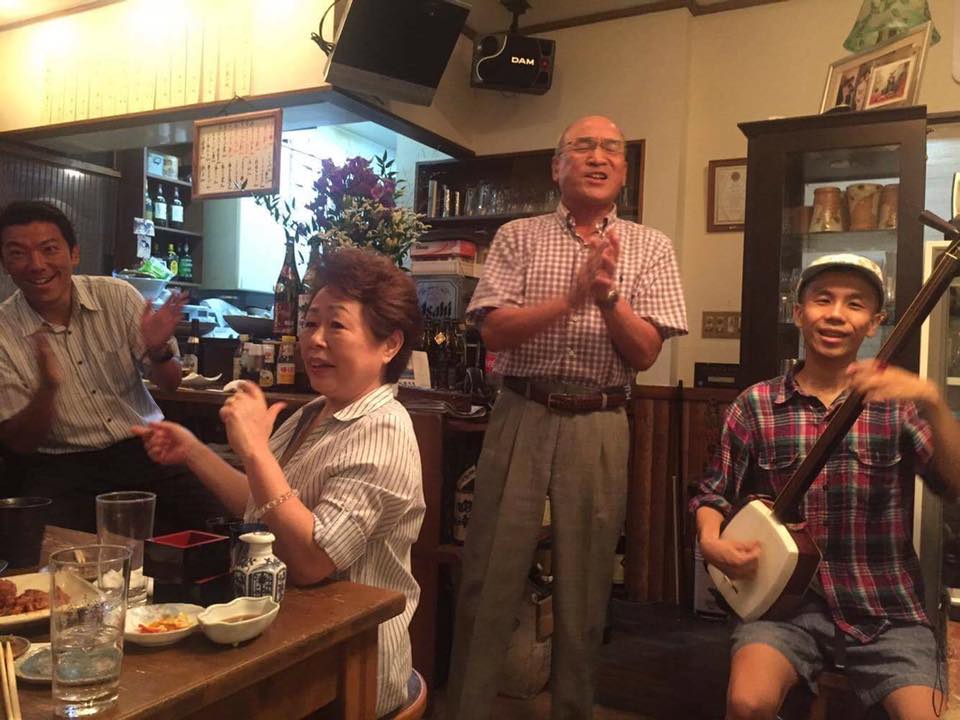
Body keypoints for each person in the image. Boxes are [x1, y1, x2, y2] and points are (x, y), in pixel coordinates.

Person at [445, 115, 688, 720]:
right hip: (521, 412)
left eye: (611, 149)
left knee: (586, 585)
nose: (598, 156)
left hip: (601, 420)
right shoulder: (518, 235)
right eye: (583, 146)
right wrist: (570, 299)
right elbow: (493, 330)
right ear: (558, 167)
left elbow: (646, 353)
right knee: (488, 575)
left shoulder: (652, 245)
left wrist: (607, 297)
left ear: (624, 171)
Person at [133, 247, 425, 717]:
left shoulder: (382, 429)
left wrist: (255, 449)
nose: (315, 340)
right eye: (310, 323)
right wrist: (193, 451)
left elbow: (311, 560)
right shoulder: (317, 411)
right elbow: (262, 506)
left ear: (389, 345)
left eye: (336, 325)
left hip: (349, 666)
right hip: (288, 636)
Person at [691, 253, 960, 720]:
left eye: (854, 304)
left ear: (874, 323)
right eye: (823, 299)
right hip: (786, 607)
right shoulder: (756, 404)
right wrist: (711, 541)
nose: (836, 314)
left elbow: (955, 484)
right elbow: (713, 492)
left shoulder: (897, 405)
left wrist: (934, 401)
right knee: (747, 703)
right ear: (799, 313)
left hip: (886, 608)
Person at [0, 200, 222, 533]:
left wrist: (158, 349)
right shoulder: (4, 331)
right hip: (61, 466)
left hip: (147, 448)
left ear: (74, 254)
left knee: (219, 528)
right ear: (5, 263)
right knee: (44, 549)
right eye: (18, 253)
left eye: (49, 249)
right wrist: (47, 389)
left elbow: (171, 382)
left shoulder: (117, 296)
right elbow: (20, 443)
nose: (37, 264)